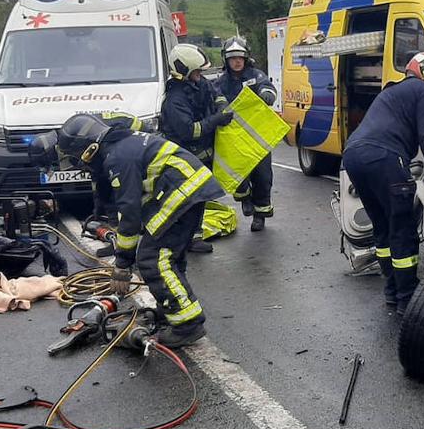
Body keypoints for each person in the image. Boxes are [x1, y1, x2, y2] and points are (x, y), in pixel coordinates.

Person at [33, 113, 223, 347]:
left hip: (181, 192)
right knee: (169, 258)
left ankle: (187, 326)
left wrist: (122, 265)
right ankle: (172, 308)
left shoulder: (117, 158)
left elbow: (129, 213)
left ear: (89, 149)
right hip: (190, 188)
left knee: (153, 260)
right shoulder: (117, 143)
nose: (78, 165)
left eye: (76, 159)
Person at [341, 52, 424, 313]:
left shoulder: (393, 93)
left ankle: (392, 291)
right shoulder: (423, 93)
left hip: (354, 156)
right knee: (402, 227)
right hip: (384, 157)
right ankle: (408, 297)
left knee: (382, 226)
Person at [160, 43, 233, 253]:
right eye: (197, 71)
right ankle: (186, 239)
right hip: (183, 156)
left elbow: (215, 93)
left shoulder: (198, 85)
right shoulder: (175, 101)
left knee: (200, 198)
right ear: (184, 71)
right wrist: (216, 119)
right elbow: (190, 132)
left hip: (201, 155)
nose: (201, 75)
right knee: (188, 201)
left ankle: (195, 236)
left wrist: (221, 105)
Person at [214, 36, 278, 232]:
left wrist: (267, 93)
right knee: (238, 176)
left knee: (262, 176)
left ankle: (260, 215)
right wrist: (221, 105)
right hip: (234, 139)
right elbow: (215, 97)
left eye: (240, 57)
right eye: (232, 58)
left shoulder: (256, 75)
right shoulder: (220, 82)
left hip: (257, 136)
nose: (237, 61)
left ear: (246, 57)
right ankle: (244, 197)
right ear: (226, 59)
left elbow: (268, 87)